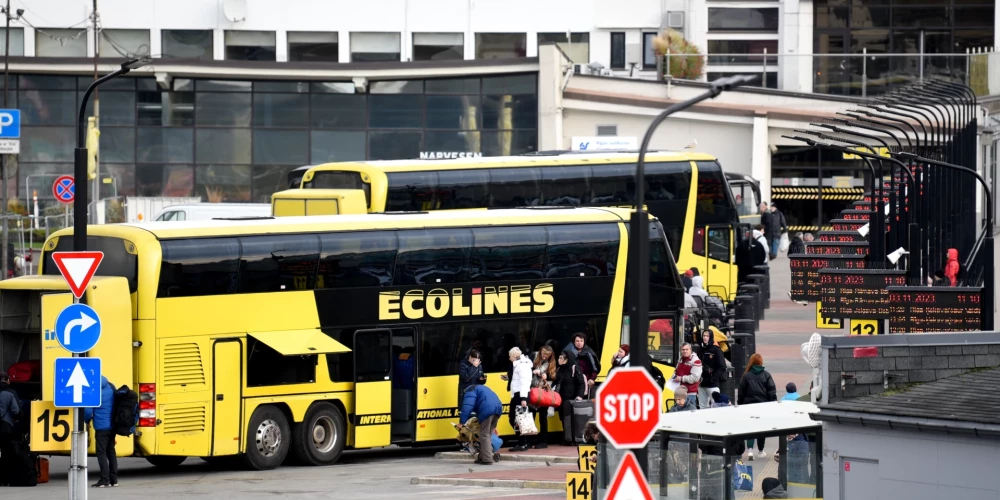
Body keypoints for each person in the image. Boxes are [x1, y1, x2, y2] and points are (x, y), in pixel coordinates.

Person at [738, 354, 777, 460]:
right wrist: (773, 403)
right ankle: (760, 450)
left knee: (750, 428)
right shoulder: (766, 375)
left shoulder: (746, 376)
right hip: (763, 406)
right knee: (761, 428)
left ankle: (750, 451)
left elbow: (741, 392)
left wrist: (740, 404)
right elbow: (771, 391)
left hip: (749, 405)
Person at [457, 384, 504, 465]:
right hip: (498, 408)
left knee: (484, 435)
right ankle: (482, 457)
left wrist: (462, 422)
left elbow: (467, 407)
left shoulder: (470, 391)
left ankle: (487, 459)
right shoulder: (481, 388)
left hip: (488, 410)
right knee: (488, 434)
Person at [84, 375, 118, 487]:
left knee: (101, 453)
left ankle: (104, 480)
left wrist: (87, 420)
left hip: (101, 427)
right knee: (111, 452)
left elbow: (88, 412)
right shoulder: (111, 387)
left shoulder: (94, 392)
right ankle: (114, 480)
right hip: (112, 425)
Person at [554, 350, 586, 446]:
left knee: (572, 419)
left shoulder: (574, 368)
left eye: (561, 358)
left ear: (567, 360)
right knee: (563, 418)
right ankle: (566, 437)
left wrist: (579, 396)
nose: (558, 360)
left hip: (572, 399)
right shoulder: (560, 369)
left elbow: (581, 383)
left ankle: (573, 438)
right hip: (561, 398)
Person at [506, 347, 534, 452]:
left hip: (520, 395)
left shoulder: (522, 366)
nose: (509, 359)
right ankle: (523, 441)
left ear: (514, 356)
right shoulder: (519, 365)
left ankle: (522, 442)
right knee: (518, 419)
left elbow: (524, 383)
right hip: (518, 395)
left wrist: (523, 398)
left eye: (510, 356)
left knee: (517, 419)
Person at [530, 345, 557, 448]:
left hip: (543, 392)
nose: (545, 357)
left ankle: (543, 440)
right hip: (533, 390)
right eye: (544, 355)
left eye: (548, 355)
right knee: (531, 415)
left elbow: (554, 376)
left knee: (543, 417)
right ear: (540, 352)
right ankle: (530, 439)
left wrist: (547, 376)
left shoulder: (551, 363)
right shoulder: (534, 357)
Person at [0, 373, 21, 486]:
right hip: (5, 427)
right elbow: (16, 411)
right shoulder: (10, 393)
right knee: (6, 453)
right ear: (7, 380)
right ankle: (4, 479)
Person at [696, 330, 726, 408]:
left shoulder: (716, 350)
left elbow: (722, 367)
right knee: (702, 406)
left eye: (707, 336)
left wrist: (713, 379)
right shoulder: (700, 350)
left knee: (716, 405)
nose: (705, 338)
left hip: (712, 385)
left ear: (711, 337)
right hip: (701, 384)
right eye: (704, 336)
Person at [672, 343, 702, 408]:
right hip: (679, 393)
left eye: (686, 349)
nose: (685, 351)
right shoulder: (681, 359)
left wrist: (681, 378)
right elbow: (676, 371)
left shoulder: (696, 361)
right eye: (683, 350)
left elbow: (695, 378)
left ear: (690, 350)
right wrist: (674, 376)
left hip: (690, 394)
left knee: (690, 415)